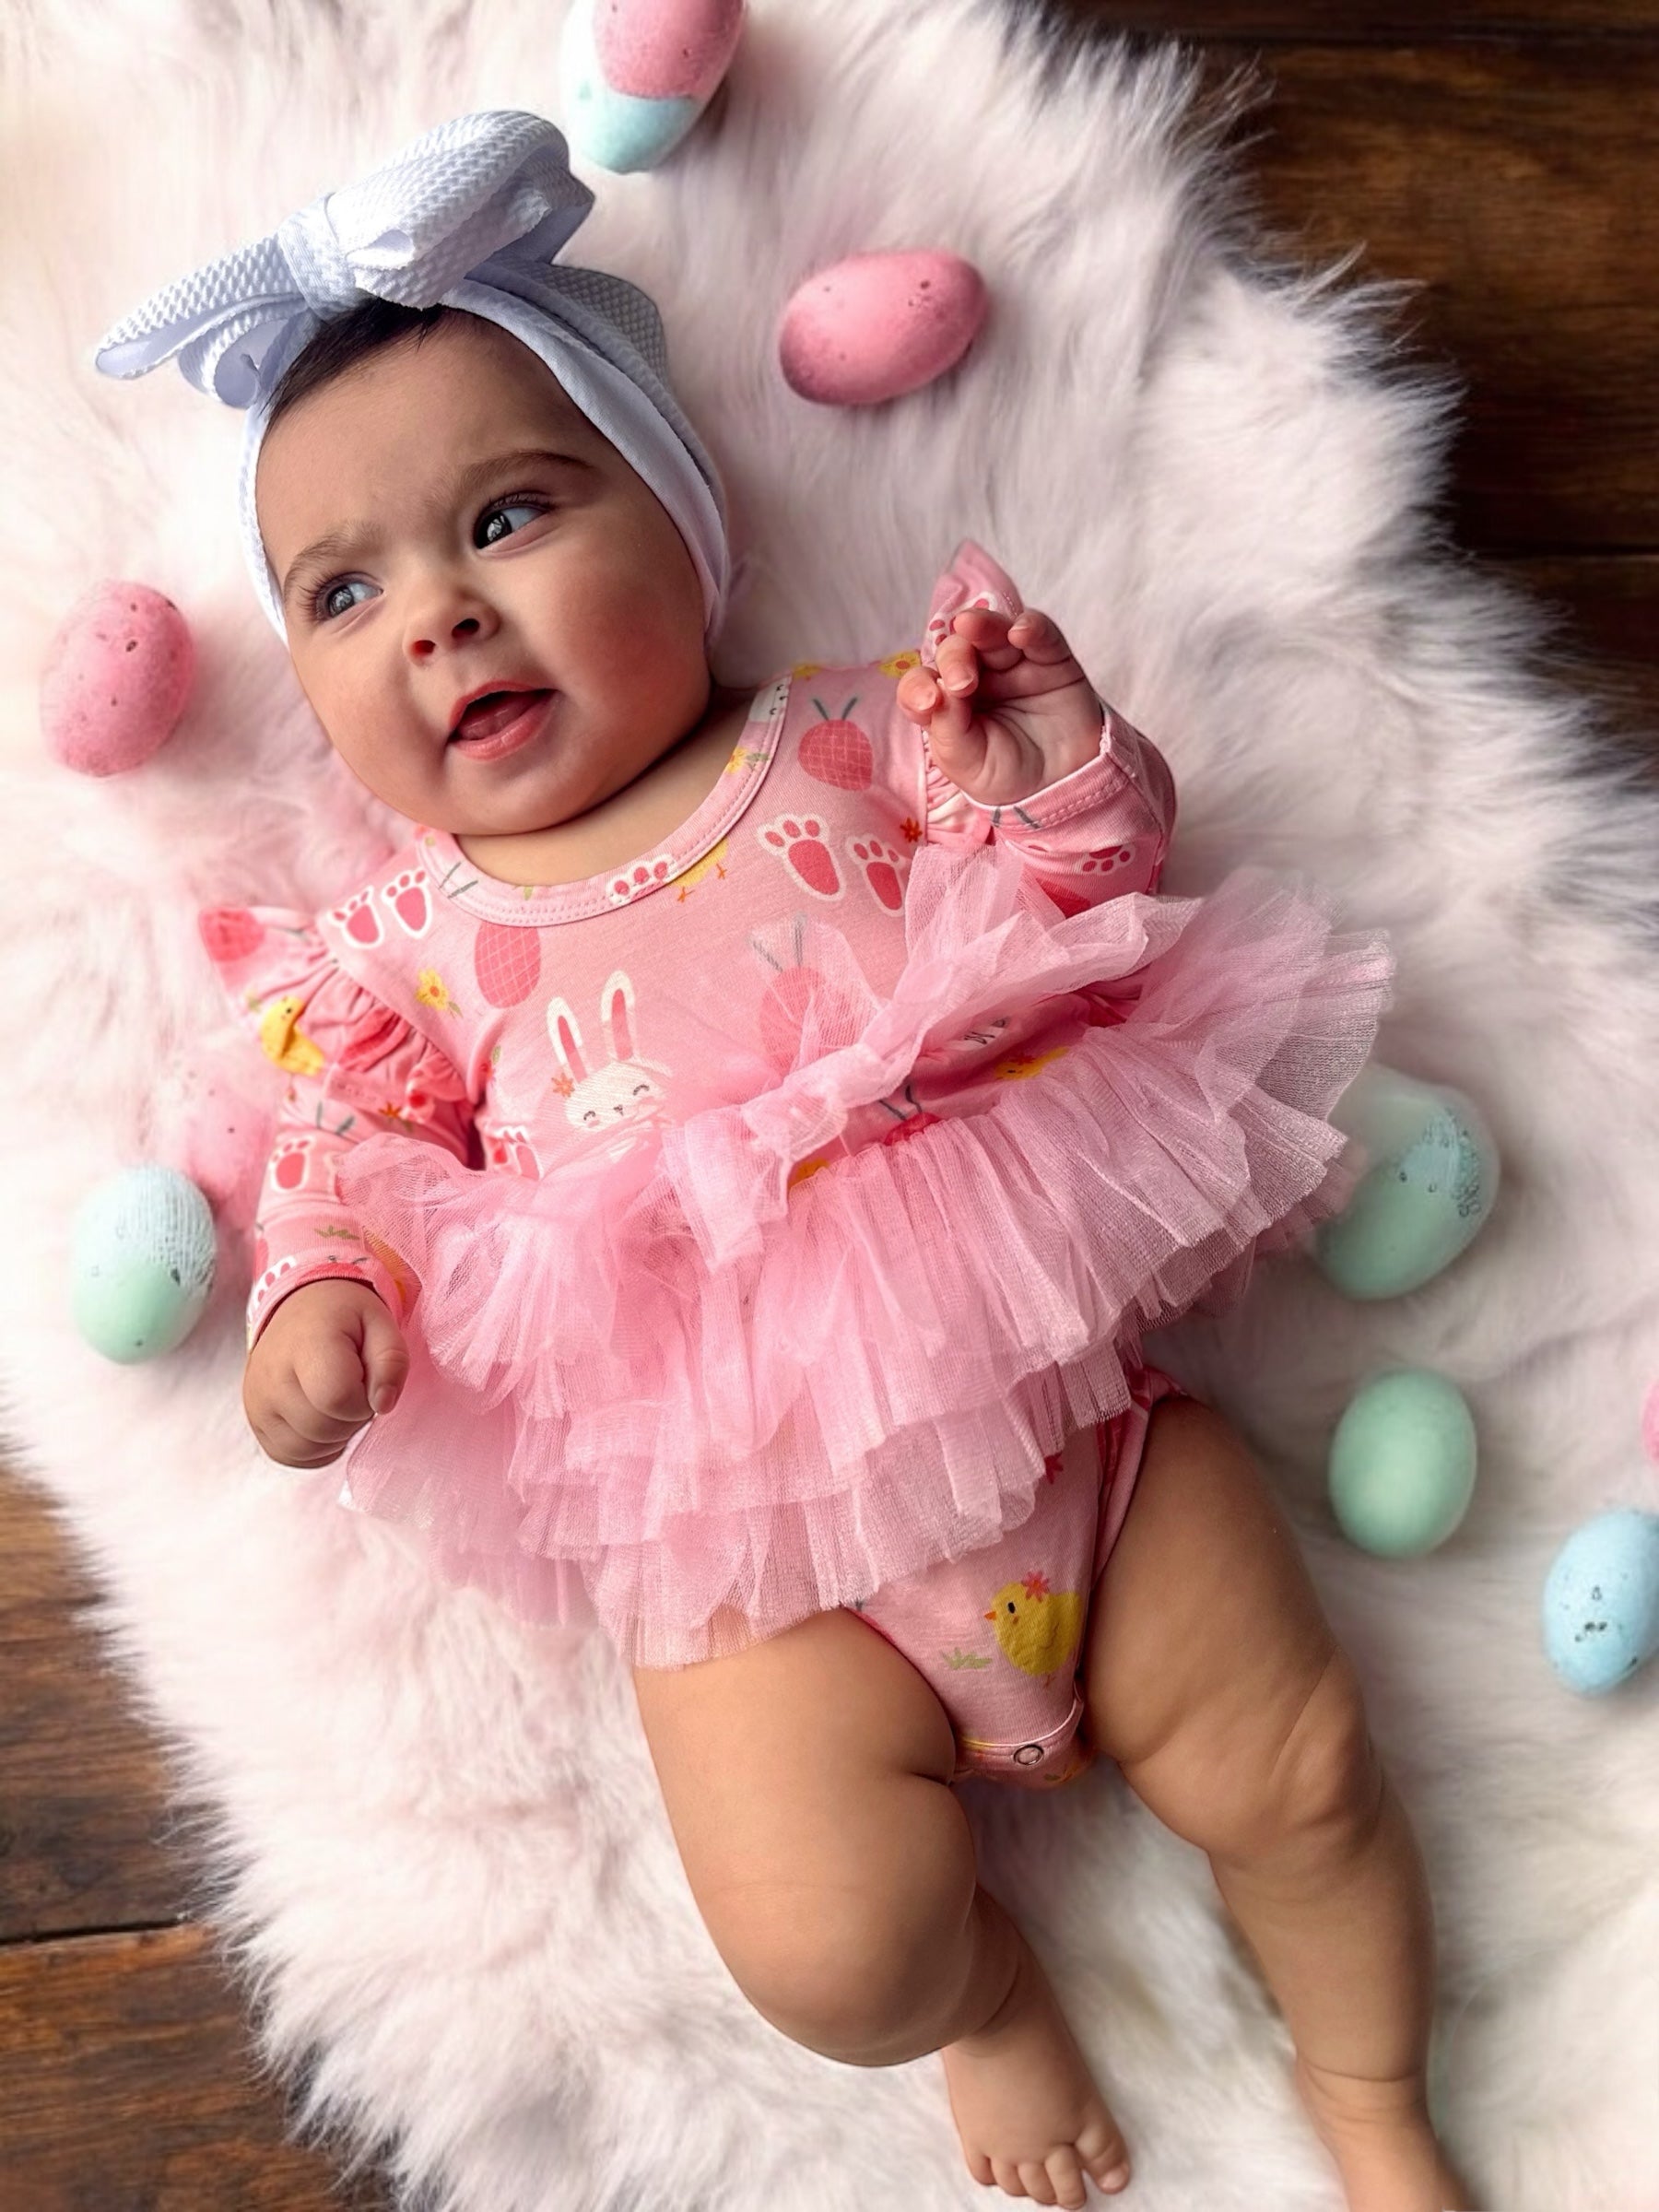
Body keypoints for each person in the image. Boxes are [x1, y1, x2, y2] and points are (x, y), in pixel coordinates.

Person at [96, 110, 1476, 2212]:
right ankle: (985, 1994)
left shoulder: (841, 739)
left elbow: (1079, 904)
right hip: (748, 1567)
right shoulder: (402, 947)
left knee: (1300, 1771)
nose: (443, 617)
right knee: (826, 1950)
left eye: (510, 514)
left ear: (680, 511)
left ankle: (1373, 2101)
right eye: (346, 591)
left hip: (1067, 1441)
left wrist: (1052, 769)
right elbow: (348, 1150)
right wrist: (323, 1295)